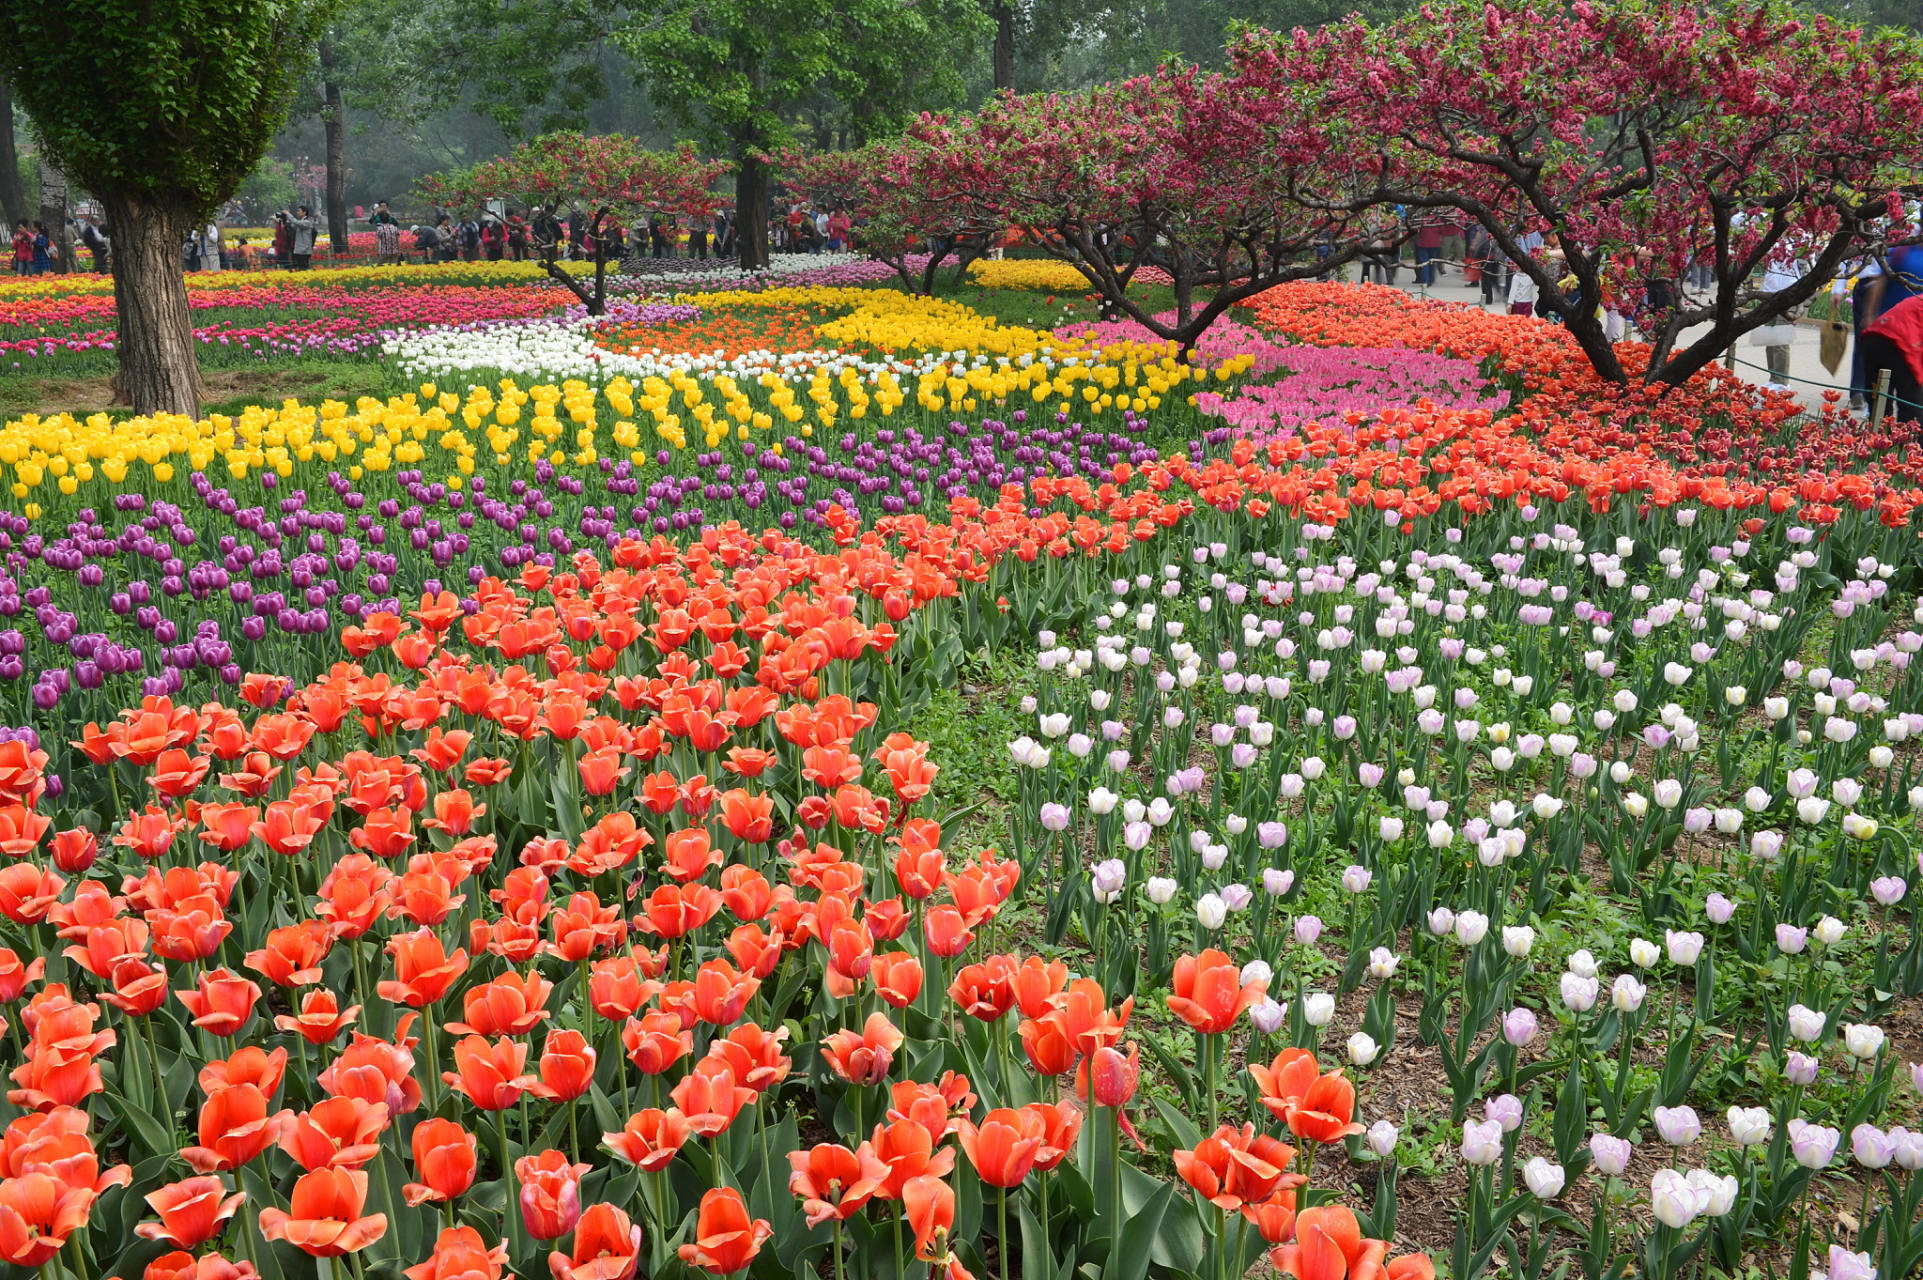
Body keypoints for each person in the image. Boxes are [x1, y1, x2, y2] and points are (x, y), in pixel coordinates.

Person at [1860, 291, 1923, 422]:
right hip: (1900, 341)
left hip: (1874, 336)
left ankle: (1879, 438)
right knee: (1912, 406)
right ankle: (1906, 441)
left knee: (1878, 405)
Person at [1506, 226, 1546, 317]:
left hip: (1528, 301)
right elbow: (1513, 291)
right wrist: (1510, 303)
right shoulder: (1516, 277)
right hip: (1517, 302)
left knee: (1526, 321)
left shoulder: (1531, 276)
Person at [369, 201, 402, 266]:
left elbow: (396, 223)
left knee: (383, 264)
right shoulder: (377, 215)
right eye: (381, 206)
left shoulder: (390, 215)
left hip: (390, 234)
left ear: (387, 207)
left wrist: (389, 215)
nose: (383, 208)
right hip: (381, 235)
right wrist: (375, 213)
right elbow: (370, 221)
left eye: (384, 206)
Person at [287, 205, 317, 269]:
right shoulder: (300, 222)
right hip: (299, 249)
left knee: (303, 267)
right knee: (300, 266)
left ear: (304, 212)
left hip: (304, 250)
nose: (297, 212)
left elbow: (297, 223)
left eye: (299, 211)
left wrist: (288, 215)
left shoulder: (307, 222)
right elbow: (293, 226)